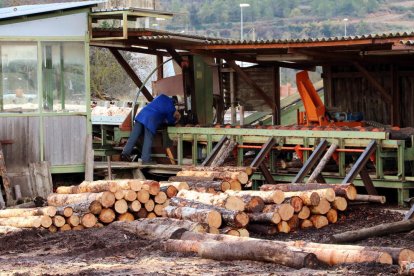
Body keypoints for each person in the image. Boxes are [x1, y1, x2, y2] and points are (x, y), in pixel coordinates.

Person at [121, 94, 180, 164]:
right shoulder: (171, 107)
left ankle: (125, 153)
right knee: (148, 139)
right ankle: (145, 160)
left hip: (141, 115)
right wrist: (177, 119)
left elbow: (156, 106)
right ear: (175, 102)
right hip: (150, 119)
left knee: (134, 136)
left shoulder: (161, 96)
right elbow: (170, 121)